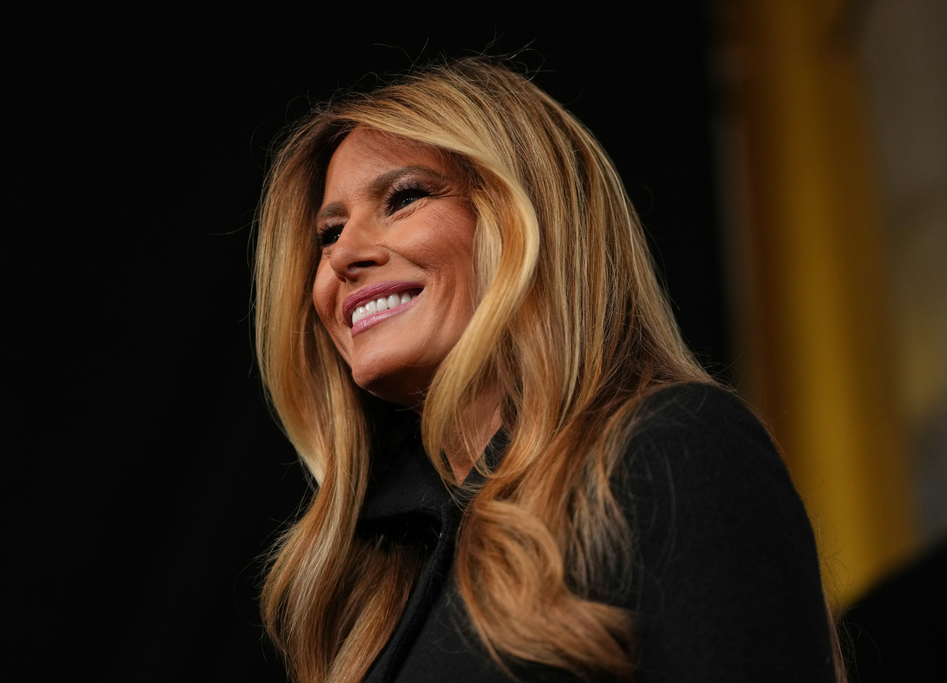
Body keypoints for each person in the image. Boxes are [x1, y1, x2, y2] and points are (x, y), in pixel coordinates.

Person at [253, 57, 843, 682]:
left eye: (403, 198)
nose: (343, 253)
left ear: (531, 217)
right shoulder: (372, 580)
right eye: (330, 231)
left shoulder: (672, 452)